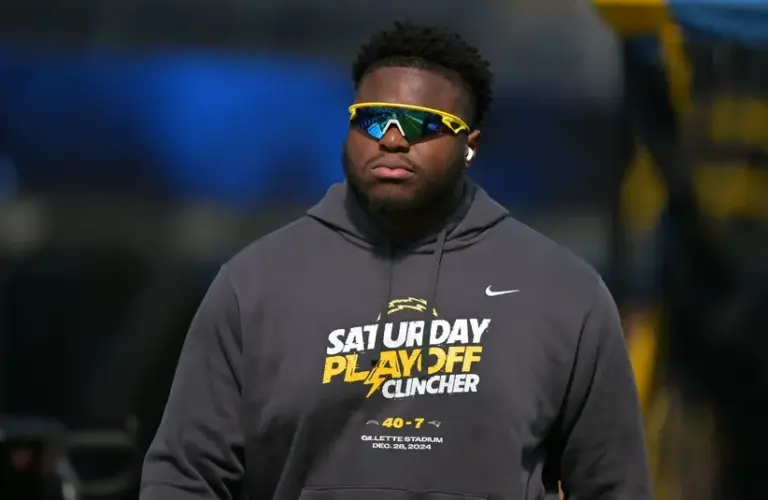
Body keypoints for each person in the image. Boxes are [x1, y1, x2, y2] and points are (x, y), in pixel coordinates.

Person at [140, 21, 651, 500]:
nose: (391, 139)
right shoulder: (253, 285)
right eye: (373, 119)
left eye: (422, 124)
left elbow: (613, 484)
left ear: (469, 144)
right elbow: (185, 476)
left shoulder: (563, 292)